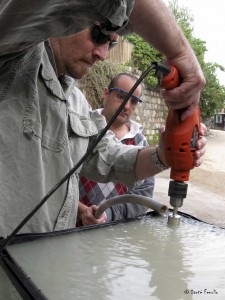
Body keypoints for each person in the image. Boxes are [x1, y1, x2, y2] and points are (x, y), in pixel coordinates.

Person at [0, 1, 206, 238]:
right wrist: (180, 53)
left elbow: (109, 158)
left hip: (47, 263)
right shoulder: (10, 52)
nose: (103, 54)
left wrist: (164, 154)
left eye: (111, 43)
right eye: (98, 35)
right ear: (67, 14)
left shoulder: (75, 101)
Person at [79, 73, 155, 224]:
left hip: (113, 232)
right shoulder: (82, 127)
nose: (126, 106)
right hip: (68, 226)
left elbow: (142, 197)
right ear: (106, 94)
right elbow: (58, 178)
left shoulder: (140, 143)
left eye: (133, 101)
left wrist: (107, 215)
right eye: (121, 96)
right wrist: (82, 211)